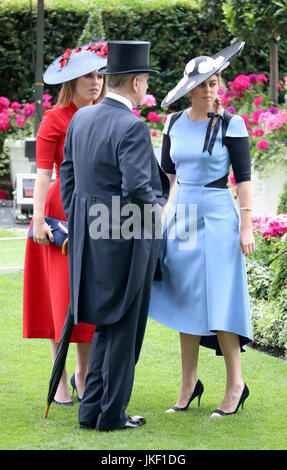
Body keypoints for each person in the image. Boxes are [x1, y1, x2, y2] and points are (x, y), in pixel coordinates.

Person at [60, 40, 169, 431]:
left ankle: (92, 411)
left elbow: (67, 179)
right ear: (138, 82)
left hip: (89, 239)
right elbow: (140, 188)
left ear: (109, 80)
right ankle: (111, 416)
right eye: (145, 81)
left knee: (106, 326)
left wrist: (80, 221)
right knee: (123, 329)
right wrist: (161, 210)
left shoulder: (81, 119)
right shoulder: (132, 125)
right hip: (126, 241)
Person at [149, 42, 255, 417]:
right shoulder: (173, 123)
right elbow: (166, 179)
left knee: (222, 298)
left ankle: (235, 384)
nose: (211, 91)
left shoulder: (232, 124)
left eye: (215, 83)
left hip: (219, 216)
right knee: (185, 299)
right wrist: (156, 220)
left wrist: (246, 226)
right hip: (182, 216)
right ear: (189, 89)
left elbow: (243, 179)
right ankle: (189, 382)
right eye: (204, 85)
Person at [23, 41, 107, 405]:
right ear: (70, 80)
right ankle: (59, 380)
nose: (96, 82)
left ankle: (83, 377)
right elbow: (42, 175)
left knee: (88, 296)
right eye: (88, 76)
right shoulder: (54, 119)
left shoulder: (104, 113)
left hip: (97, 212)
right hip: (59, 216)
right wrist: (38, 220)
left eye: (100, 76)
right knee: (60, 298)